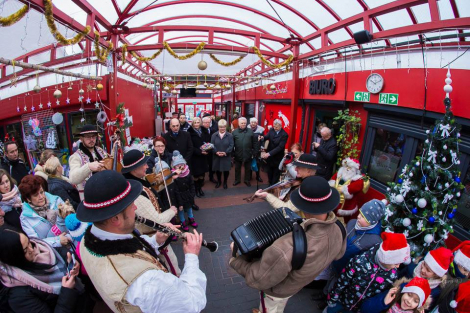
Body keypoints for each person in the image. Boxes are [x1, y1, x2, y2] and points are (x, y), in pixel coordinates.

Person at [76, 170, 207, 312]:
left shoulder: (87, 242)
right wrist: (192, 257)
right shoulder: (147, 280)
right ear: (116, 219)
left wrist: (155, 241)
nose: (136, 208)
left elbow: (124, 248)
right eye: (131, 206)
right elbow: (191, 304)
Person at [230, 176, 347, 313]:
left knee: (270, 307)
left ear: (303, 207)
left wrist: (236, 260)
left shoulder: (286, 248)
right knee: (280, 304)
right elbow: (339, 255)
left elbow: (259, 279)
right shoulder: (340, 228)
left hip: (277, 291)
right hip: (297, 284)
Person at [121, 149, 181, 275]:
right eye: (143, 164)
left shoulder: (136, 181)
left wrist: (169, 179)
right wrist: (171, 211)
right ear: (133, 168)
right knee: (172, 269)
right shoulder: (136, 192)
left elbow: (151, 192)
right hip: (154, 239)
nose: (147, 166)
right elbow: (156, 221)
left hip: (153, 239)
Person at [0, 229, 86, 313]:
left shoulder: (40, 246)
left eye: (29, 242)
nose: (32, 249)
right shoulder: (18, 297)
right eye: (25, 250)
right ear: (13, 257)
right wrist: (67, 291)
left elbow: (58, 251)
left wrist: (72, 260)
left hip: (83, 299)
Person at [326, 232, 411, 313]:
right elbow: (342, 281)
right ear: (387, 259)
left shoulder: (392, 275)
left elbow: (379, 296)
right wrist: (332, 299)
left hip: (359, 309)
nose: (398, 266)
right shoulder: (360, 262)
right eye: (396, 263)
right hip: (342, 301)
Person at [19, 175, 72, 248]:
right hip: (52, 253)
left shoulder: (56, 200)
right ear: (28, 199)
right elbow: (36, 242)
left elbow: (72, 221)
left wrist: (68, 237)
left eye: (41, 192)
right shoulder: (25, 217)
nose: (41, 197)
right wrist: (57, 241)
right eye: (36, 195)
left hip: (71, 243)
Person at [68, 125, 108, 200]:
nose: (91, 139)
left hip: (106, 193)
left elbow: (110, 165)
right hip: (90, 199)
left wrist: (115, 150)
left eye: (93, 136)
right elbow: (72, 178)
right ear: (81, 139)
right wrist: (88, 167)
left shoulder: (100, 151)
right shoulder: (76, 157)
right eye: (88, 137)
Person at [361, 277, 432, 313]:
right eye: (409, 295)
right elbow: (365, 309)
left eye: (415, 301)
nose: (409, 301)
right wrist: (383, 302)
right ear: (403, 292)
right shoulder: (391, 296)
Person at [171, 151, 198, 231]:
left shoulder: (188, 173)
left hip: (188, 194)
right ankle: (183, 222)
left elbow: (192, 185)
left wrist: (192, 194)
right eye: (177, 165)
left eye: (181, 164)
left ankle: (191, 219)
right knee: (181, 210)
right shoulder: (174, 177)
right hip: (179, 196)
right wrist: (180, 203)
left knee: (189, 208)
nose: (180, 166)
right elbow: (176, 191)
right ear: (174, 167)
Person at [262, 119, 289, 186]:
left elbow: (280, 147)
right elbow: (266, 137)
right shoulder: (271, 130)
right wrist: (262, 138)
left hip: (277, 156)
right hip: (270, 156)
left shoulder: (284, 135)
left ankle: (273, 186)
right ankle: (270, 183)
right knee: (269, 171)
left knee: (276, 172)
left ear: (280, 126)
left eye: (276, 127)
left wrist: (269, 153)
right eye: (274, 126)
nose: (275, 128)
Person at [188, 117, 209, 197]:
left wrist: (208, 149)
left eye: (198, 122)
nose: (196, 124)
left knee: (202, 174)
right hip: (195, 157)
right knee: (196, 175)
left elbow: (208, 142)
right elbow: (190, 146)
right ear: (193, 123)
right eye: (195, 122)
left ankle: (200, 188)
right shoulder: (189, 132)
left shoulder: (204, 131)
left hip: (204, 157)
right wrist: (200, 151)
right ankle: (196, 189)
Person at [211, 119, 234, 189]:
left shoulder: (229, 135)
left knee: (226, 170)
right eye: (221, 127)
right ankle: (219, 181)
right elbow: (212, 145)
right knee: (218, 170)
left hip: (226, 156)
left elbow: (231, 145)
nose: (222, 128)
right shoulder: (214, 135)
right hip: (216, 156)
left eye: (224, 127)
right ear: (218, 127)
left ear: (226, 127)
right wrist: (216, 152)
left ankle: (225, 182)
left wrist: (225, 152)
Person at [232, 117, 256, 187]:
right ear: (239, 124)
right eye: (242, 123)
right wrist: (232, 153)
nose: (243, 124)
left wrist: (254, 152)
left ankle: (247, 180)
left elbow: (254, 142)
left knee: (248, 168)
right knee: (237, 168)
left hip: (248, 153)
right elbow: (232, 144)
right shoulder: (234, 132)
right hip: (237, 153)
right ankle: (237, 180)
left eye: (245, 123)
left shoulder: (250, 131)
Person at [202, 116, 217, 183]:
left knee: (211, 165)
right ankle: (202, 179)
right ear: (203, 123)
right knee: (203, 165)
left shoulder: (212, 130)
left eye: (209, 122)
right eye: (206, 122)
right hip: (203, 151)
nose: (207, 124)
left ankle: (211, 177)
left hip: (211, 151)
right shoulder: (200, 131)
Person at [250, 117, 265, 183]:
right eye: (252, 122)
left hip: (257, 148)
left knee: (258, 163)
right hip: (249, 148)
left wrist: (262, 146)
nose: (253, 124)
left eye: (254, 122)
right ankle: (249, 176)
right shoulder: (247, 129)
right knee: (249, 162)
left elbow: (262, 139)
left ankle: (258, 176)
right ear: (250, 123)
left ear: (256, 123)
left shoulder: (260, 130)